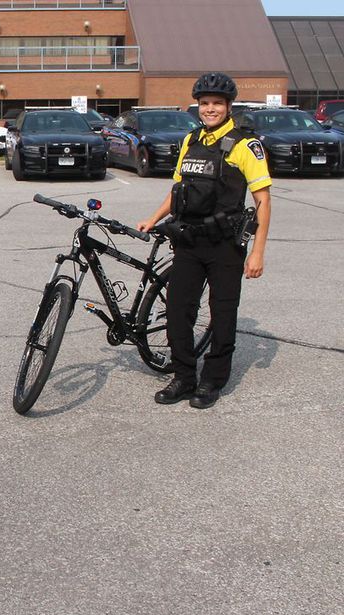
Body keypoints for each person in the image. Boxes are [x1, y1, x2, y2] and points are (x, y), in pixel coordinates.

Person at [136, 72, 271, 409]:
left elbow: (263, 200)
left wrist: (258, 252)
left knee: (222, 313)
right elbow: (178, 189)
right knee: (178, 311)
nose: (210, 109)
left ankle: (212, 380)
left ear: (228, 106)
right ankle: (183, 376)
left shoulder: (244, 145)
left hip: (225, 246)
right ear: (198, 106)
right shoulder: (191, 140)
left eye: (217, 104)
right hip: (188, 243)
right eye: (205, 103)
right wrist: (154, 218)